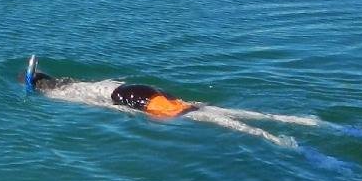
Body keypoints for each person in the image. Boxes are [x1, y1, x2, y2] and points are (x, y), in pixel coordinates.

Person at [22, 56, 321, 146]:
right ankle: (302, 121)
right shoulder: (77, 83)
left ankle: (275, 138)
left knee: (221, 121)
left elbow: (104, 106)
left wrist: (140, 117)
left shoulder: (63, 96)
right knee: (211, 110)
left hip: (144, 103)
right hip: (145, 91)